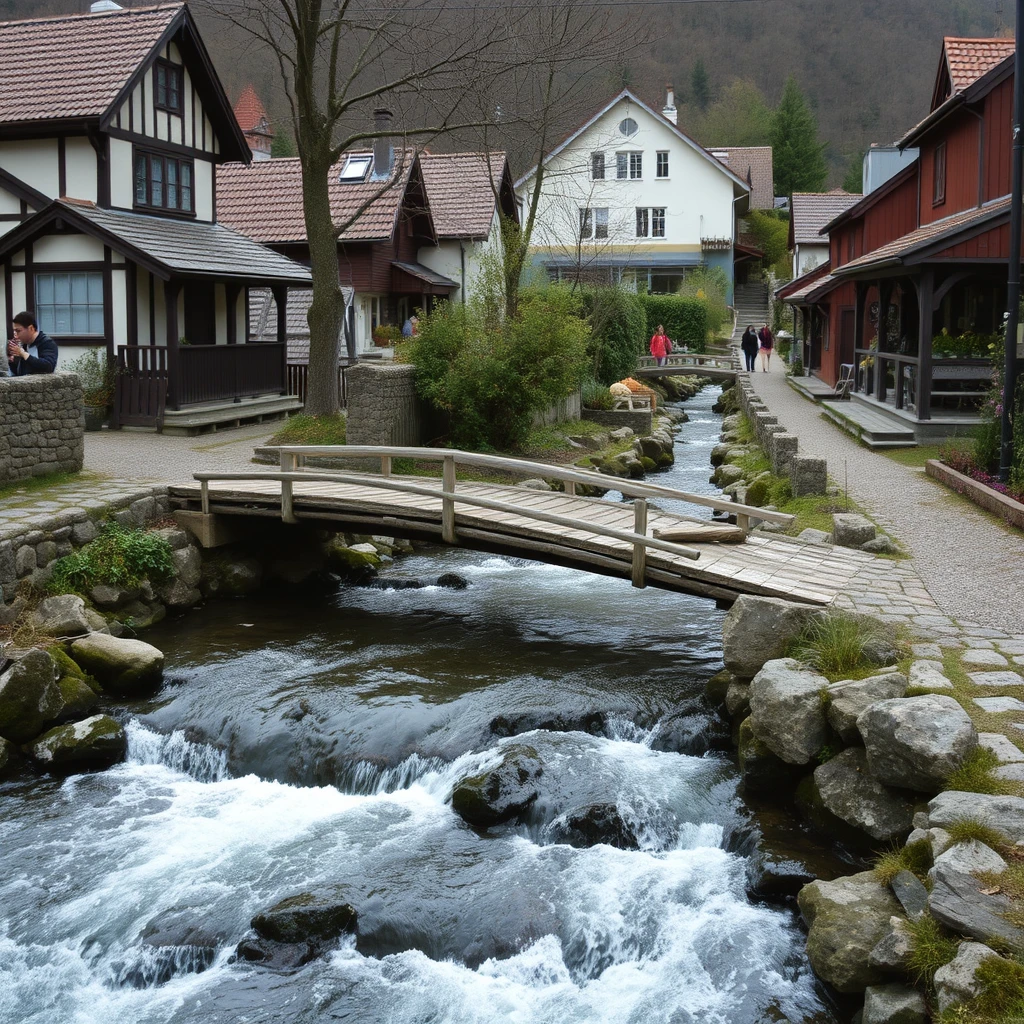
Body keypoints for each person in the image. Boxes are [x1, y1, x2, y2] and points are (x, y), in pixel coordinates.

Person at [7, 311, 57, 376]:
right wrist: (13, 361)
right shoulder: (24, 344)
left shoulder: (47, 343)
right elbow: (19, 373)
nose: (15, 335)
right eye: (14, 331)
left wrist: (23, 354)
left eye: (18, 331)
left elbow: (48, 367)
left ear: (31, 328)